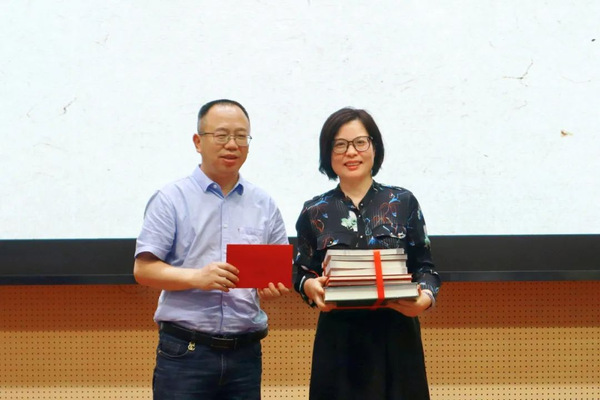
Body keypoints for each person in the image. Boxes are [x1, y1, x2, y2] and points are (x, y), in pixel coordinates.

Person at [134, 99, 289, 400]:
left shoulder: (264, 204)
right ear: (198, 141)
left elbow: (277, 271)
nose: (232, 144)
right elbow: (143, 270)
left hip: (245, 353)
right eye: (221, 135)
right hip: (185, 352)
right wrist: (197, 277)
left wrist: (271, 287)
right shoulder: (170, 199)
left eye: (241, 136)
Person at [293, 107, 441, 400]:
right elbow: (301, 271)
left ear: (375, 147)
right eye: (340, 144)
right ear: (328, 153)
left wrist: (424, 298)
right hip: (339, 338)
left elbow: (426, 269)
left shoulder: (403, 202)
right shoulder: (314, 210)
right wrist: (309, 286)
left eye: (360, 142)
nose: (351, 152)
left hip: (396, 334)